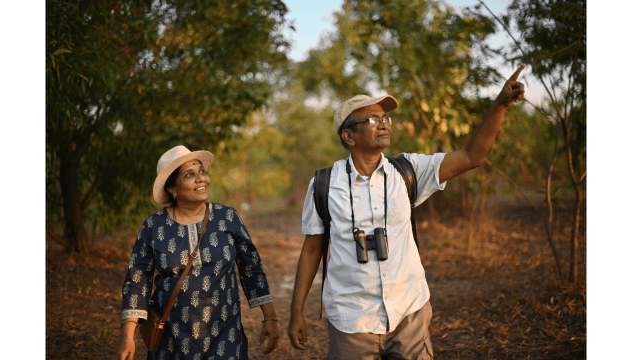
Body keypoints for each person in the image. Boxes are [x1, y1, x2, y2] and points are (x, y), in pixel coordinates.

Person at [287, 66, 526, 359]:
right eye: (373, 119)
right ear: (348, 136)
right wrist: (296, 311)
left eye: (386, 117)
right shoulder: (324, 184)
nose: (385, 124)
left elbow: (471, 156)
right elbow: (312, 250)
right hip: (351, 320)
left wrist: (500, 105)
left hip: (409, 313)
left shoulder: (408, 171)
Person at [117, 145, 280, 360]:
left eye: (202, 171)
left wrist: (269, 318)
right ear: (172, 189)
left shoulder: (227, 218)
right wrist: (127, 337)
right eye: (190, 175)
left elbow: (252, 269)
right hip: (172, 338)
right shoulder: (154, 227)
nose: (201, 179)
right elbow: (137, 281)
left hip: (225, 335)